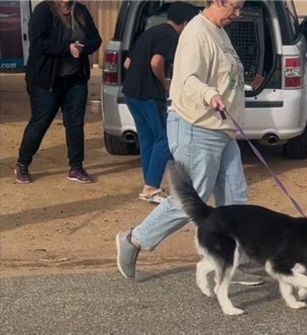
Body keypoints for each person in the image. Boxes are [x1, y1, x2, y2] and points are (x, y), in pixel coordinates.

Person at [116, 0, 262, 285]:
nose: (238, 13)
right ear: (217, 1)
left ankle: (231, 260)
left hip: (223, 130)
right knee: (190, 201)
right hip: (197, 128)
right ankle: (134, 240)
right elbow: (187, 80)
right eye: (234, 6)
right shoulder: (196, 32)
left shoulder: (219, 30)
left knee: (235, 197)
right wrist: (210, 95)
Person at [15, 0, 101, 184]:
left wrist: (83, 47)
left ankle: (76, 167)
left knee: (75, 123)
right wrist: (66, 48)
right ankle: (22, 163)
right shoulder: (44, 10)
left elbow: (96, 39)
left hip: (75, 78)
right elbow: (38, 41)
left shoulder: (81, 11)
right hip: (46, 80)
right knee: (41, 121)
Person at [122, 2, 200, 204]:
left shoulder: (150, 32)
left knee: (148, 138)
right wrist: (164, 83)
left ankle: (149, 183)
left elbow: (127, 63)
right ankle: (151, 187)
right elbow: (156, 62)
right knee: (164, 139)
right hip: (149, 94)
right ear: (186, 22)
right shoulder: (171, 36)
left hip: (131, 93)